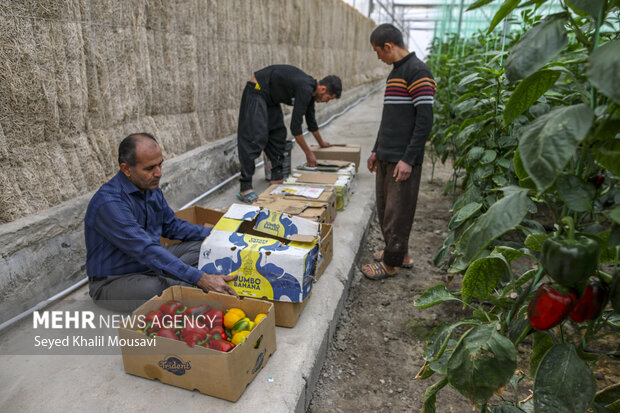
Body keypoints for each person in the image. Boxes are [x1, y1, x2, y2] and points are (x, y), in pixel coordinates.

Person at [85, 133, 238, 311]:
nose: (159, 173)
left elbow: (172, 226)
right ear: (126, 169)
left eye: (160, 164)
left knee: (204, 246)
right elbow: (147, 250)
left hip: (149, 264)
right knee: (166, 288)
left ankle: (198, 280)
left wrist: (219, 234)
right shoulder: (109, 203)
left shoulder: (149, 187)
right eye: (150, 168)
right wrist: (200, 278)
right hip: (115, 280)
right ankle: (202, 287)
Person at [362, 24, 436, 280]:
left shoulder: (418, 72)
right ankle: (399, 254)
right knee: (385, 209)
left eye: (377, 51)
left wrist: (408, 158)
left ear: (389, 46)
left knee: (398, 213)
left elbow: (425, 120)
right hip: (386, 154)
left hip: (402, 158)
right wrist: (376, 150)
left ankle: (391, 264)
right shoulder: (396, 74)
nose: (378, 57)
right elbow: (389, 118)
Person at [236, 65, 342, 203]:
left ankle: (276, 178)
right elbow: (295, 128)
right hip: (257, 90)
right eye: (328, 98)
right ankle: (245, 188)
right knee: (255, 137)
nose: (325, 101)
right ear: (322, 89)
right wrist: (308, 153)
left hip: (270, 98)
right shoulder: (305, 89)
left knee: (278, 133)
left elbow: (311, 122)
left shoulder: (310, 92)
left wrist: (321, 143)